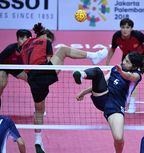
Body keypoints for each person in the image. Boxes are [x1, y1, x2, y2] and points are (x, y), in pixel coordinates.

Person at [20, 23, 108, 153]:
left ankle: (38, 140)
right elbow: (49, 59)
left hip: (33, 80)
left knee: (39, 111)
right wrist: (58, 67)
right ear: (46, 36)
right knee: (63, 50)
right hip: (44, 73)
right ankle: (94, 56)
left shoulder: (25, 46)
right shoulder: (45, 41)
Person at [72, 52, 144, 153]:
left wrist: (121, 72)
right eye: (124, 59)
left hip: (116, 105)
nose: (123, 62)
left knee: (118, 138)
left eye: (127, 61)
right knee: (97, 71)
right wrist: (84, 92)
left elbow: (129, 76)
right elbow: (102, 82)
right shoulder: (115, 69)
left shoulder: (137, 75)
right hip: (103, 96)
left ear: (134, 66)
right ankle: (81, 74)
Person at [105, 18, 144, 113]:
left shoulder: (137, 35)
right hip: (126, 57)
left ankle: (132, 103)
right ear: (120, 28)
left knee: (133, 79)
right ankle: (123, 97)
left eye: (127, 27)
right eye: (123, 27)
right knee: (122, 76)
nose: (125, 29)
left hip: (140, 57)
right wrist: (107, 61)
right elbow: (113, 49)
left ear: (131, 28)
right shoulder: (116, 36)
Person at [0, 29, 32, 96]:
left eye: (26, 38)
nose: (24, 40)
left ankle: (38, 101)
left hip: (17, 68)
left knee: (32, 79)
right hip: (4, 67)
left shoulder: (31, 50)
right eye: (21, 38)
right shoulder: (10, 48)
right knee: (1, 83)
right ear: (17, 39)